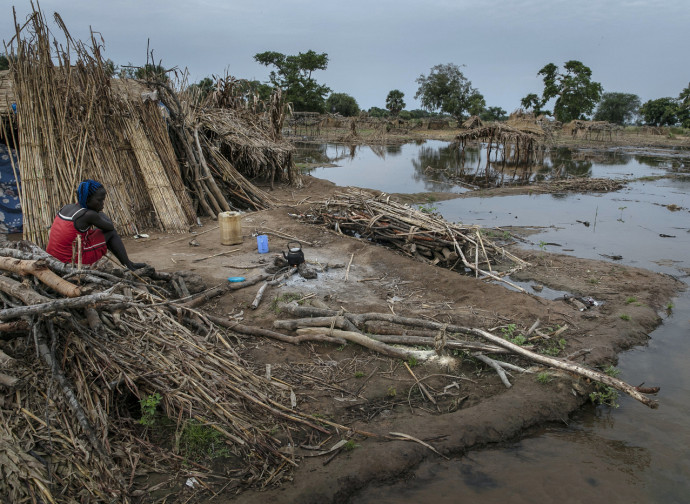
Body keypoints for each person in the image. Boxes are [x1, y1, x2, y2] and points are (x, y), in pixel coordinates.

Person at [46, 180, 147, 271]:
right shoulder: (89, 214)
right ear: (87, 199)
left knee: (93, 233)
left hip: (53, 257)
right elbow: (110, 227)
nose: (102, 203)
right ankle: (128, 265)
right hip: (71, 261)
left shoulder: (67, 207)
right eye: (99, 200)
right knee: (111, 233)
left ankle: (128, 264)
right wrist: (99, 212)